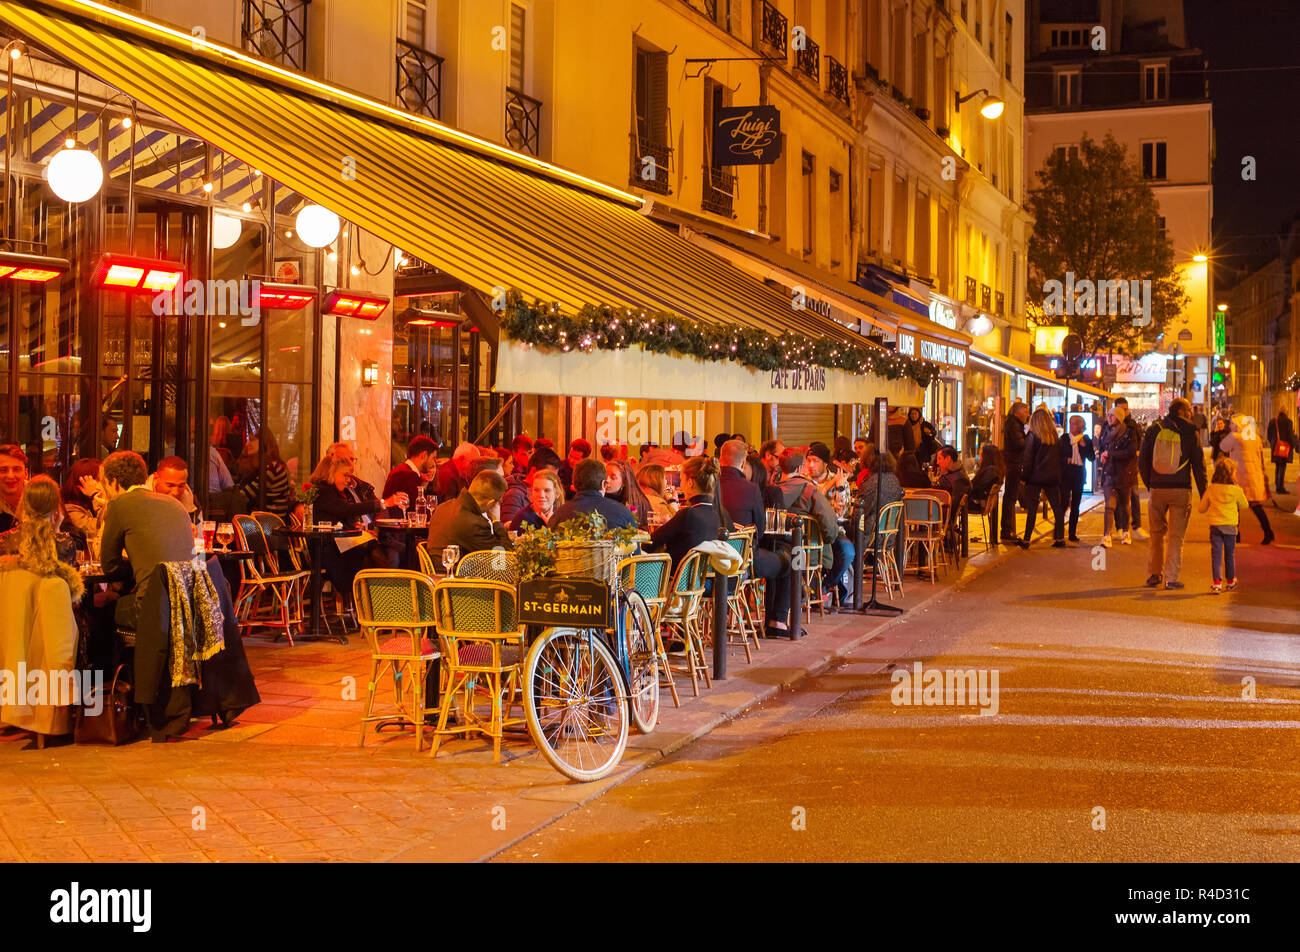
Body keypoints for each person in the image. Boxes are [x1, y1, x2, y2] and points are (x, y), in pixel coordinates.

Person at [98, 450, 197, 631]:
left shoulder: (119, 505)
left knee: (100, 609)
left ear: (113, 481)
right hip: (188, 605)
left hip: (152, 608)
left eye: (104, 484)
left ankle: (117, 659)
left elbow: (109, 566)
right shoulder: (175, 504)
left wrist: (136, 567)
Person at [719, 439, 790, 635]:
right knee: (787, 562)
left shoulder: (710, 484)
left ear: (719, 459)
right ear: (742, 464)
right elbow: (760, 528)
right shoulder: (750, 489)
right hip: (743, 561)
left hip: (708, 561)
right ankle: (778, 622)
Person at [1138, 397, 1209, 588]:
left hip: (1157, 489)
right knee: (1176, 537)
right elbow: (1198, 465)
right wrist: (1204, 494)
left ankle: (1154, 574)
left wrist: (1150, 483)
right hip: (1180, 489)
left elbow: (1142, 460)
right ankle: (1171, 578)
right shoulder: (1190, 431)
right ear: (1183, 411)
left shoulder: (1154, 429)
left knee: (1155, 533)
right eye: (1189, 411)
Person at [315, 457, 408, 595]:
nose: (348, 480)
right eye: (345, 475)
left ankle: (385, 594)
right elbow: (345, 510)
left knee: (391, 549)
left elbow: (342, 515)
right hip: (330, 550)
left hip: (342, 545)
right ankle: (388, 594)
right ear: (330, 473)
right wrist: (384, 503)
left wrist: (355, 526)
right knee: (376, 552)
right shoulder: (323, 491)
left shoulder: (335, 491)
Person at [771, 450, 851, 604]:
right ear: (801, 468)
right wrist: (828, 540)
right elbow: (830, 526)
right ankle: (816, 592)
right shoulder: (809, 490)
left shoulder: (771, 490)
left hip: (777, 551)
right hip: (808, 554)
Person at [649, 455, 723, 571]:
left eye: (681, 479)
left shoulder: (688, 514)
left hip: (673, 581)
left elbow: (651, 542)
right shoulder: (714, 515)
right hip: (698, 582)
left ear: (689, 483)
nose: (680, 484)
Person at [425, 470, 513, 561]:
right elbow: (503, 560)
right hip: (456, 573)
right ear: (490, 502)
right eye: (499, 502)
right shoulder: (475, 524)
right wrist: (496, 522)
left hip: (434, 571)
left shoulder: (443, 507)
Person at [0, 474, 79, 570]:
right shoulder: (65, 544)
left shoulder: (5, 541)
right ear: (56, 506)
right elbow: (68, 579)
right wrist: (57, 530)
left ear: (24, 504)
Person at [1218, 415, 1274, 545]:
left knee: (1234, 506)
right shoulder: (1256, 438)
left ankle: (1236, 535)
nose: (1230, 426)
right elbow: (1261, 458)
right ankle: (1268, 532)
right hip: (1254, 477)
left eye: (1232, 424)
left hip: (1239, 476)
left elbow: (1223, 446)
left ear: (1238, 425)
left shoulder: (1236, 437)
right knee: (1256, 506)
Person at [1197, 457, 1249, 594]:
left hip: (1215, 526)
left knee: (1216, 555)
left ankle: (1217, 583)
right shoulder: (1236, 490)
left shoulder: (1212, 489)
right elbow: (1245, 505)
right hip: (1231, 527)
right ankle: (1231, 581)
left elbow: (1201, 508)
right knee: (1229, 555)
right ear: (1232, 473)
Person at [548, 458, 637, 530]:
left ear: (573, 484)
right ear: (603, 484)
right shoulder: (622, 513)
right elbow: (635, 551)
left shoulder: (558, 516)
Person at [1019, 408, 1064, 549]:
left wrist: (1024, 477)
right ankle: (1060, 538)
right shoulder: (1054, 437)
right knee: (1057, 508)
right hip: (1052, 477)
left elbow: (1028, 460)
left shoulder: (1032, 436)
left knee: (1032, 508)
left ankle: (1026, 540)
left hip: (1035, 477)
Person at [1097, 407, 1141, 547]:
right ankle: (1107, 535)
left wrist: (1110, 455)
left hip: (1124, 474)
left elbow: (1130, 452)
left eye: (1112, 415)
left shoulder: (1129, 433)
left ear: (1120, 417)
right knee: (1109, 505)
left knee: (1124, 504)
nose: (1109, 417)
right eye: (1108, 415)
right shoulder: (1106, 432)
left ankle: (1126, 531)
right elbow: (1101, 449)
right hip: (1109, 473)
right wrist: (1103, 457)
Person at [235, 431, 295, 518]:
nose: (248, 444)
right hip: (258, 520)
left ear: (264, 443)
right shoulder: (260, 466)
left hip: (269, 524)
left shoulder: (273, 468)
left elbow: (246, 495)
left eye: (252, 440)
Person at [1113, 397, 1146, 538]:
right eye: (1121, 409)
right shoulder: (1110, 424)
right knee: (1117, 498)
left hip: (1130, 468)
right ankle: (1119, 527)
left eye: (1126, 409)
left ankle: (1136, 526)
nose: (1124, 412)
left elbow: (1139, 447)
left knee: (1134, 495)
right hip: (1115, 469)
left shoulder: (1133, 426)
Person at [1059, 415, 1095, 543]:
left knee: (1075, 505)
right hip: (1065, 474)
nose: (1071, 426)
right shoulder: (1064, 438)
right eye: (1070, 423)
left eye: (1074, 424)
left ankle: (1072, 533)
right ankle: (1059, 533)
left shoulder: (1086, 439)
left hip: (1078, 474)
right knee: (1063, 504)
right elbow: (1057, 456)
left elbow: (1092, 458)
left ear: (1080, 426)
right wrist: (1066, 459)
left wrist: (1084, 446)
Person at [381, 435, 437, 516]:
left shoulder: (403, 470)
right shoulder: (407, 474)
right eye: (433, 458)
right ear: (423, 455)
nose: (434, 463)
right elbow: (421, 513)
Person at [1000, 401, 1029, 542]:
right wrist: (1029, 436)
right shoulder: (1014, 425)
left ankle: (1008, 530)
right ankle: (1006, 530)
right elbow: (1020, 445)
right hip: (1014, 464)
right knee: (1010, 498)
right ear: (1018, 412)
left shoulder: (1015, 424)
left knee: (1011, 497)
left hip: (1014, 464)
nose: (1027, 415)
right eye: (1026, 411)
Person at [61, 458, 106, 544]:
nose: (103, 485)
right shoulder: (71, 511)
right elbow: (102, 529)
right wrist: (95, 495)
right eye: (99, 480)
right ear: (83, 483)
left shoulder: (90, 506)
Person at [967, 445, 1005, 545]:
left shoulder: (990, 471)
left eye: (981, 454)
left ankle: (950, 536)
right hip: (982, 502)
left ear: (987, 456)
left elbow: (978, 488)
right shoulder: (995, 469)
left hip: (978, 503)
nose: (979, 457)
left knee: (953, 504)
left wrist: (968, 486)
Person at [146, 456, 201, 524]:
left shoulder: (193, 504)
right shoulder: (140, 501)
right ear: (156, 478)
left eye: (181, 486)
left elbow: (200, 531)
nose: (176, 492)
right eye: (170, 485)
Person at [604, 459, 650, 527]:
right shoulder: (600, 499)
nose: (607, 480)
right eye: (605, 476)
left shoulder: (637, 503)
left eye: (613, 477)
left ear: (624, 482)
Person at [1266, 409, 1297, 494]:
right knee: (1282, 467)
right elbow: (1290, 435)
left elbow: (1268, 435)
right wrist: (1293, 445)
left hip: (1276, 447)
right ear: (1286, 413)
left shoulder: (1272, 422)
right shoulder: (1288, 422)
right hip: (1285, 448)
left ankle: (1277, 486)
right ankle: (1280, 488)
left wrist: (1273, 444)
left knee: (1277, 467)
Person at [0, 443, 28, 533]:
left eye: (16, 469)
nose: (10, 476)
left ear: (26, 473)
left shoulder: (44, 497)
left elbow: (70, 536)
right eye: (3, 470)